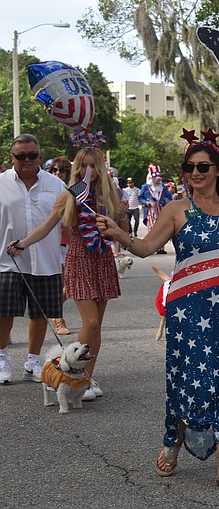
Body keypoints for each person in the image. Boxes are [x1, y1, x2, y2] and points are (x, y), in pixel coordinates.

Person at [96, 132, 219, 490]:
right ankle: (175, 439)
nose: (195, 172)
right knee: (189, 380)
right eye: (189, 167)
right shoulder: (175, 209)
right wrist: (117, 233)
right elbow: (144, 249)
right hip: (189, 310)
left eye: (202, 166)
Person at [9, 145, 128, 400]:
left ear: (100, 167)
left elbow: (121, 228)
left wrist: (120, 222)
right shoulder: (71, 194)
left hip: (102, 259)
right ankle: (73, 374)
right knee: (91, 322)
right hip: (79, 258)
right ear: (77, 168)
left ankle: (87, 378)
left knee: (98, 327)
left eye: (93, 165)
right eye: (83, 165)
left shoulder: (109, 194)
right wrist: (22, 243)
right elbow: (47, 225)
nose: (89, 170)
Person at [0, 135, 66, 384]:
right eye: (21, 156)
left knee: (40, 314)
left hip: (46, 259)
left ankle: (32, 360)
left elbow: (67, 220)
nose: (27, 160)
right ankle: (2, 357)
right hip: (6, 259)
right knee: (4, 312)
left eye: (32, 155)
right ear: (12, 157)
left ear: (39, 155)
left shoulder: (56, 184)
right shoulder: (1, 183)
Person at [47, 156, 73, 336]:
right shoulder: (45, 187)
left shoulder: (74, 187)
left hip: (70, 240)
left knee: (70, 285)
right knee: (61, 283)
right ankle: (58, 319)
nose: (57, 173)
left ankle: (52, 309)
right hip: (50, 240)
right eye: (54, 170)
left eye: (61, 170)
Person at [139, 164, 172, 253]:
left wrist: (171, 198)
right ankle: (152, 247)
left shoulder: (163, 188)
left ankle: (161, 248)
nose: (158, 182)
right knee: (152, 229)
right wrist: (146, 202)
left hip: (161, 210)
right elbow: (140, 197)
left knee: (162, 228)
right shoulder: (145, 187)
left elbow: (169, 196)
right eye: (156, 180)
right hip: (151, 210)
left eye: (159, 180)